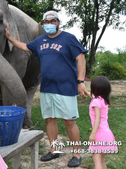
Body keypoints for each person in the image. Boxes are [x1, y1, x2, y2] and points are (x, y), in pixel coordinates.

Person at [5, 10, 89, 168]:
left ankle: (76, 154)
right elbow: (25, 46)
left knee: (69, 121)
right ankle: (54, 150)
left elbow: (80, 58)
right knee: (50, 119)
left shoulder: (69, 38)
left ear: (58, 22)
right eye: (47, 22)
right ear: (43, 24)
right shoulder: (40, 40)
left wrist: (80, 81)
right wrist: (10, 38)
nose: (50, 24)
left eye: (53, 21)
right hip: (47, 88)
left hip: (66, 88)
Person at [88, 76, 118, 169]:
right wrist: (87, 93)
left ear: (94, 89)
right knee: (101, 160)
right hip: (107, 133)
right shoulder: (103, 100)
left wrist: (93, 134)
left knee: (96, 158)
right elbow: (94, 98)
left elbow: (98, 119)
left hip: (99, 134)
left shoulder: (96, 102)